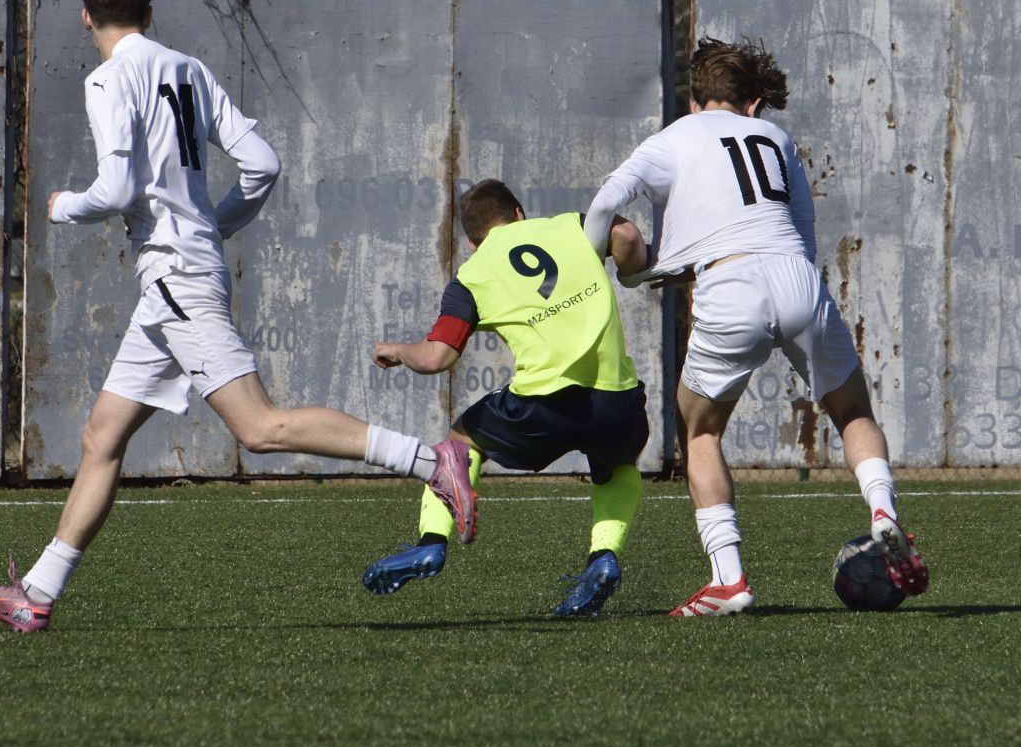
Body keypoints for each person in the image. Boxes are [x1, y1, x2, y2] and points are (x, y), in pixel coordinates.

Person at [0, 0, 474, 633]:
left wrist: (62, 207)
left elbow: (116, 189)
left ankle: (430, 460)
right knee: (101, 434)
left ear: (86, 16)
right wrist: (212, 224)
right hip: (177, 274)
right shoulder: (188, 68)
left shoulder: (109, 79)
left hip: (175, 275)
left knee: (259, 428)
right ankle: (36, 594)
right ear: (148, 13)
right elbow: (263, 163)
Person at [583, 36, 929, 617]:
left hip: (730, 284)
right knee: (853, 412)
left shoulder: (672, 137)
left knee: (700, 432)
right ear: (753, 103)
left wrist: (601, 268)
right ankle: (883, 512)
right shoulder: (775, 138)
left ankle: (728, 579)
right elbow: (800, 232)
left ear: (695, 101)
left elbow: (603, 206)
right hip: (797, 277)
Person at [363, 179, 650, 617]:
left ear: (471, 242)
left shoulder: (471, 276)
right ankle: (603, 555)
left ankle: (432, 542)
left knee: (457, 443)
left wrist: (399, 351)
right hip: (617, 401)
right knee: (618, 467)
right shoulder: (571, 226)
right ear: (519, 212)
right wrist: (633, 274)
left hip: (544, 406)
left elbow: (438, 357)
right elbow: (626, 236)